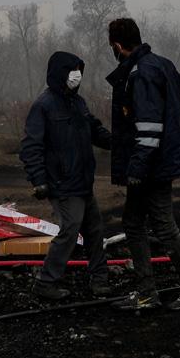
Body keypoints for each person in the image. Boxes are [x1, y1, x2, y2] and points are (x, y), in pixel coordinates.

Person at [105, 18, 180, 311]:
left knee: (162, 224)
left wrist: (136, 169)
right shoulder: (162, 64)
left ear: (117, 45)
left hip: (153, 164)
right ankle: (146, 292)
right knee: (133, 222)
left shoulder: (140, 74)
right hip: (159, 160)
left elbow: (149, 128)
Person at [19, 51, 113, 301]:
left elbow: (94, 129)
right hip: (62, 183)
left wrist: (117, 142)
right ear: (60, 74)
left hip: (83, 181)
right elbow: (31, 146)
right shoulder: (43, 106)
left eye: (79, 70)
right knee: (70, 230)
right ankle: (46, 282)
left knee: (94, 230)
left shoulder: (78, 103)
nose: (77, 75)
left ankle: (100, 279)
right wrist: (38, 180)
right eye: (73, 70)